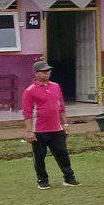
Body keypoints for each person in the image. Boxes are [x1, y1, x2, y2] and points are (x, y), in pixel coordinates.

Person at [22, 59, 76, 189]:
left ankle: (69, 178)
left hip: (57, 129)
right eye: (43, 71)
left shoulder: (56, 86)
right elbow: (27, 113)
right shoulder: (29, 91)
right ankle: (43, 180)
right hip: (39, 130)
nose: (47, 73)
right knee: (40, 157)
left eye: (48, 71)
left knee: (62, 154)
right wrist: (29, 131)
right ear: (36, 73)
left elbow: (61, 107)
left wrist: (65, 125)